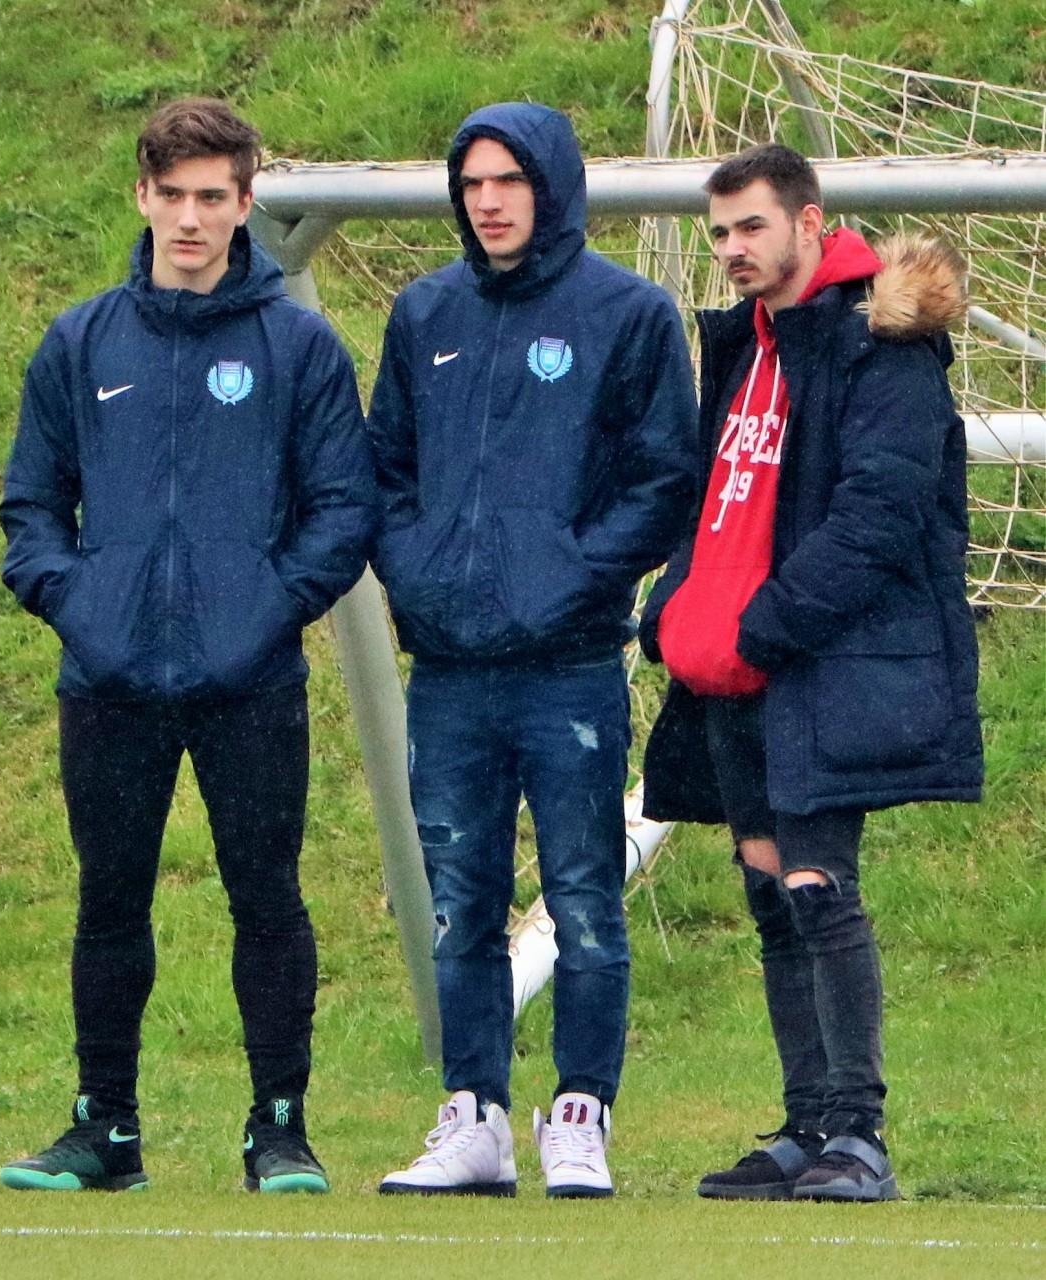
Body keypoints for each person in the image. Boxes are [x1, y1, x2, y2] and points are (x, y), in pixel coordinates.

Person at [0, 97, 376, 1194]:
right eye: (173, 196)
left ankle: (279, 1128)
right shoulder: (79, 342)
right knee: (110, 899)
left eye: (214, 196)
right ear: (143, 196)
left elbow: (341, 510)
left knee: (267, 897)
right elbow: (30, 511)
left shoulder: (297, 345)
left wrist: (265, 609)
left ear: (246, 203)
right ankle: (104, 1129)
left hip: (249, 679)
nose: (192, 218)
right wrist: (85, 609)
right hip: (109, 678)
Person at [639, 143, 983, 1203]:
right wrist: (675, 607)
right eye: (719, 233)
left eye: (751, 226)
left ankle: (859, 1134)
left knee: (818, 888)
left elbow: (880, 515)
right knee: (768, 893)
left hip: (819, 660)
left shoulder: (881, 344)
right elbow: (719, 499)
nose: (732, 250)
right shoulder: (744, 347)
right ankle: (805, 1125)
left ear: (808, 221)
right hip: (734, 671)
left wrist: (766, 624)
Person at [367, 102, 697, 1199]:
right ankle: (473, 1117)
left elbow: (663, 480)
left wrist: (569, 577)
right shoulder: (424, 313)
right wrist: (419, 579)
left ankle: (580, 1114)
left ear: (551, 185)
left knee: (583, 893)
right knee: (458, 900)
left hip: (569, 665)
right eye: (471, 184)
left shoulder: (629, 314)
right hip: (451, 669)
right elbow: (385, 473)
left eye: (508, 180)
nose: (489, 201)